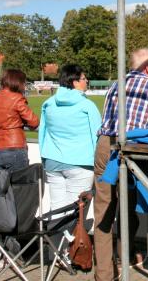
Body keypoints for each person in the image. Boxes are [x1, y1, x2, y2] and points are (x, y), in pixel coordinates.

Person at [94, 48, 148, 281]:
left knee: (104, 212)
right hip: (130, 149)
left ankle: (105, 274)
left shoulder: (115, 84)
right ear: (147, 66)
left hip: (105, 146)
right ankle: (124, 257)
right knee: (127, 208)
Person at [39, 64, 101, 213]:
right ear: (75, 82)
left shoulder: (48, 103)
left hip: (52, 161)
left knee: (57, 208)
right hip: (80, 164)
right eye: (84, 78)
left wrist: (44, 156)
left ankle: (57, 236)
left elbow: (43, 132)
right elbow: (98, 135)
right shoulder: (87, 105)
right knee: (76, 213)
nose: (87, 81)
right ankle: (70, 237)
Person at [0, 69, 39, 172]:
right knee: (18, 185)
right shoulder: (17, 98)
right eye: (24, 82)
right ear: (18, 82)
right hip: (15, 147)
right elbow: (34, 121)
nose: (25, 86)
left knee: (1, 186)